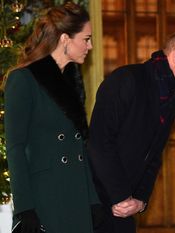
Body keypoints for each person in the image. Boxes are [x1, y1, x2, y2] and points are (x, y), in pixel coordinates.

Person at [88, 30, 175, 233]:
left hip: (125, 207)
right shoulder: (126, 80)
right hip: (95, 203)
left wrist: (140, 200)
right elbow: (100, 143)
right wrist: (121, 197)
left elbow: (154, 156)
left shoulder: (171, 101)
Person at [4, 2, 104, 233]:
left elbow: (79, 146)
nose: (90, 46)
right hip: (45, 198)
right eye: (86, 39)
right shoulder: (23, 80)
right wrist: (25, 208)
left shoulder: (72, 81)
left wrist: (92, 199)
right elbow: (15, 148)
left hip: (75, 195)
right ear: (65, 39)